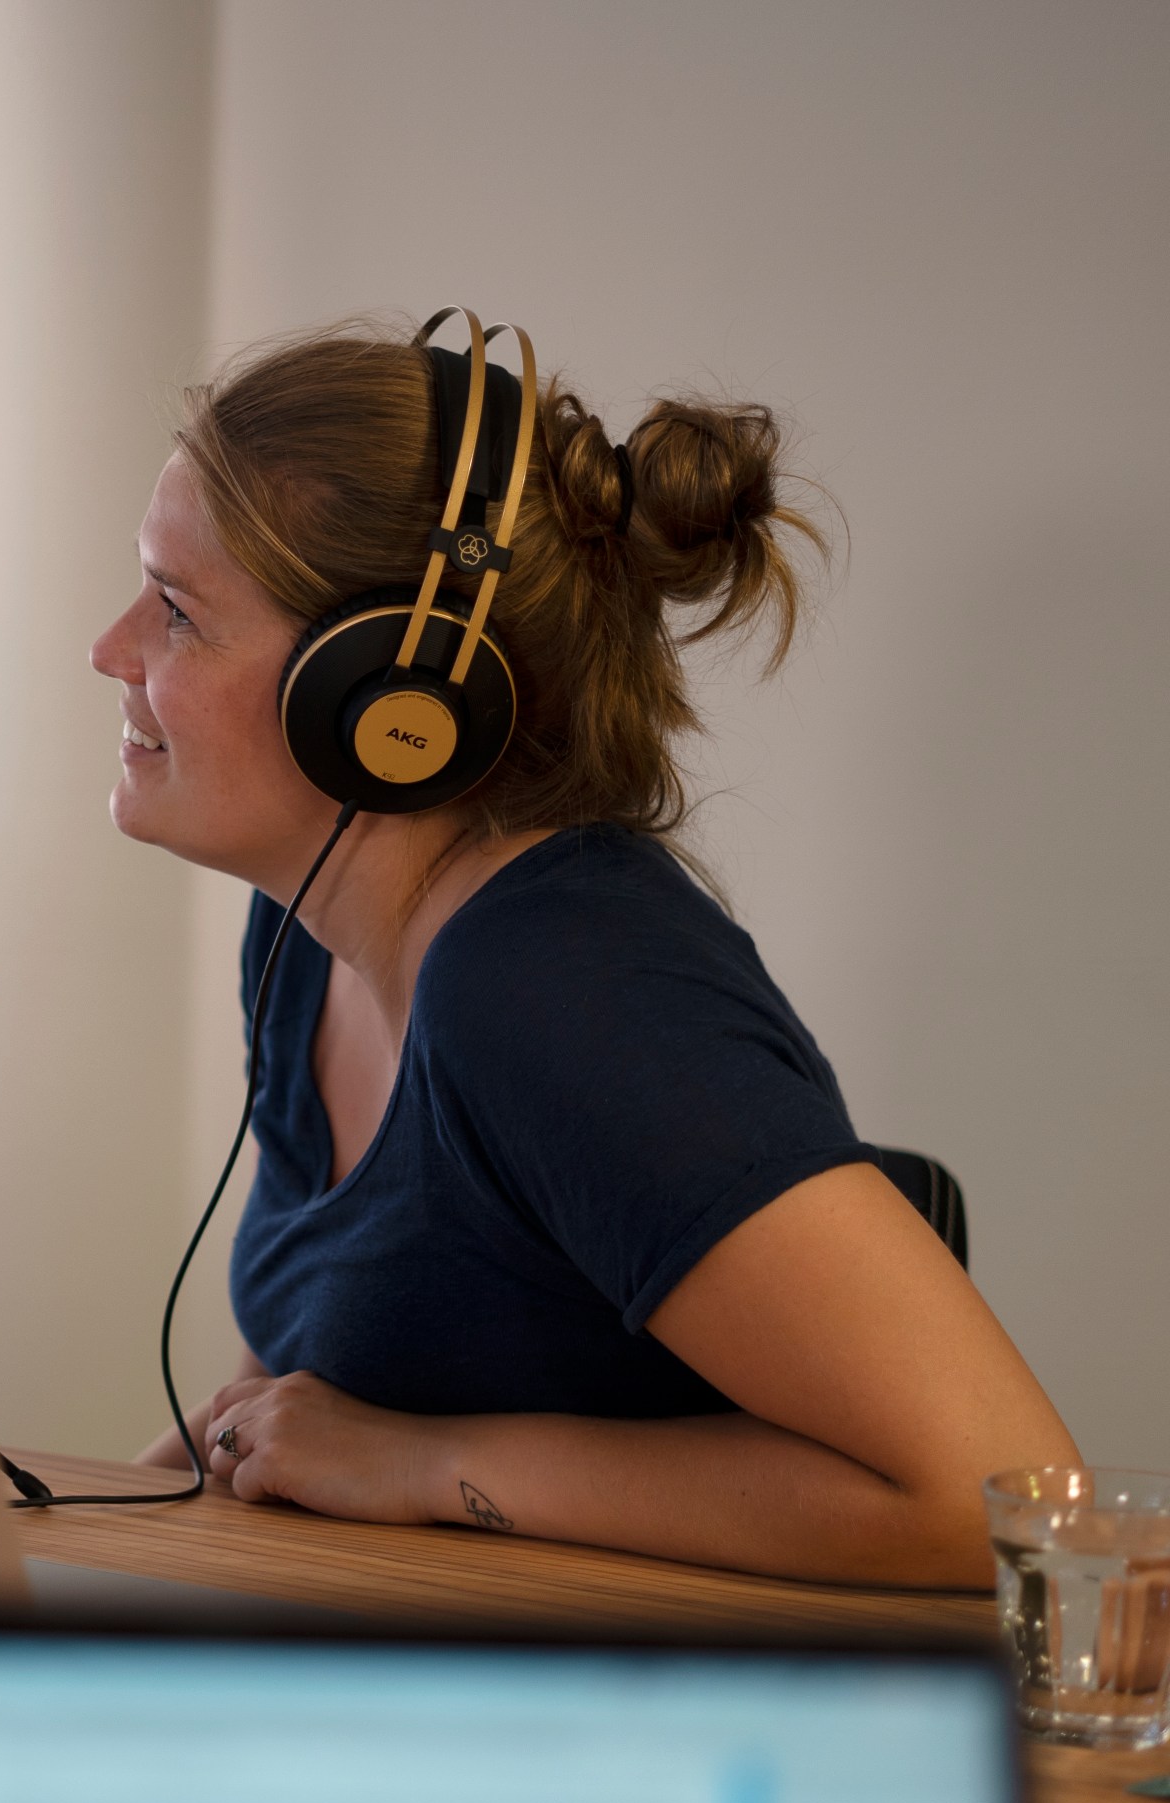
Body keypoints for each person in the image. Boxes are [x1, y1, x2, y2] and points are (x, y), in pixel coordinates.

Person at [90, 314, 1076, 1588]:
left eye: (176, 611)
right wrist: (53, 1544)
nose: (110, 649)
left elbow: (989, 1496)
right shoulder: (302, 930)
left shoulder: (560, 987)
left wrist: (424, 1462)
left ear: (384, 690)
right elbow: (295, 1399)